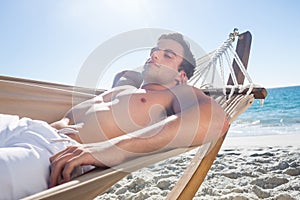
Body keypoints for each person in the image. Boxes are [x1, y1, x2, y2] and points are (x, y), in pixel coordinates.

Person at [0, 33, 228, 199]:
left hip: (54, 154)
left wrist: (109, 150)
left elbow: (215, 121)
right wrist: (152, 68)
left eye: (167, 55)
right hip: (24, 126)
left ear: (182, 76)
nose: (155, 55)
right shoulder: (126, 86)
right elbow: (125, 73)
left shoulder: (177, 93)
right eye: (153, 52)